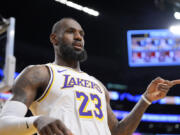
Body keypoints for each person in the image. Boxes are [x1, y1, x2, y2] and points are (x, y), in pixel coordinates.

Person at [0, 17, 180, 135]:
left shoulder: (98, 85)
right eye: (71, 32)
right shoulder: (39, 73)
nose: (78, 37)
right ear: (54, 39)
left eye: (81, 34)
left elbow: (117, 132)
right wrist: (36, 121)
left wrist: (145, 100)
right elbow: (3, 125)